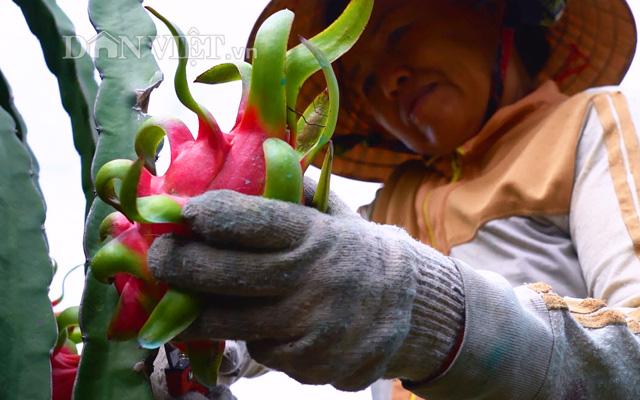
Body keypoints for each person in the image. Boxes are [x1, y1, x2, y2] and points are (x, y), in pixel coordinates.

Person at [148, 0, 640, 398]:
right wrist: (200, 346)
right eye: (363, 81)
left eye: (399, 33)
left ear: (490, 10)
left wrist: (428, 312)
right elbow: (293, 280)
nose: (387, 82)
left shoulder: (584, 124)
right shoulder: (389, 205)